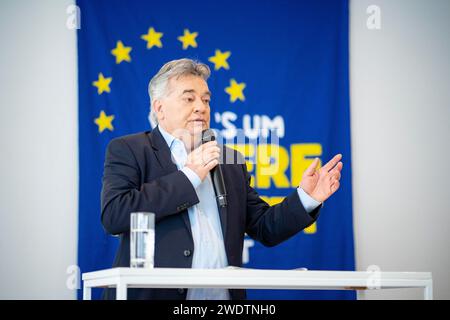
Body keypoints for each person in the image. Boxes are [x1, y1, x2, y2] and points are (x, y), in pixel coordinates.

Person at [101, 58, 343, 300]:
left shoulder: (229, 160)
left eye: (205, 99)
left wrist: (307, 198)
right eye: (189, 98)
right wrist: (189, 176)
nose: (201, 107)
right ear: (159, 108)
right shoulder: (130, 149)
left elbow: (264, 227)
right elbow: (115, 215)